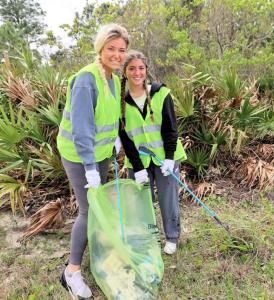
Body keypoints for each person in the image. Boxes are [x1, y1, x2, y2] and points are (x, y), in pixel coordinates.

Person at [56, 23, 129, 299]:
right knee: (89, 211)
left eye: (121, 50)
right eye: (111, 49)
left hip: (100, 153)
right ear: (101, 48)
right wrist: (90, 169)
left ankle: (97, 255)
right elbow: (82, 130)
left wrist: (115, 138)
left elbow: (107, 117)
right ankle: (71, 272)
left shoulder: (113, 78)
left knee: (100, 210)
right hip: (79, 155)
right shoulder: (87, 79)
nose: (117, 54)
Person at [119, 50, 186, 255]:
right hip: (138, 161)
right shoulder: (120, 101)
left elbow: (170, 129)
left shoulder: (161, 94)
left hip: (166, 157)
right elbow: (126, 137)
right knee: (142, 203)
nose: (137, 72)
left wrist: (168, 158)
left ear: (146, 70)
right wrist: (137, 168)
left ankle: (172, 237)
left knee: (168, 199)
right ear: (125, 72)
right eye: (132, 68)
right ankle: (148, 238)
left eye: (141, 68)